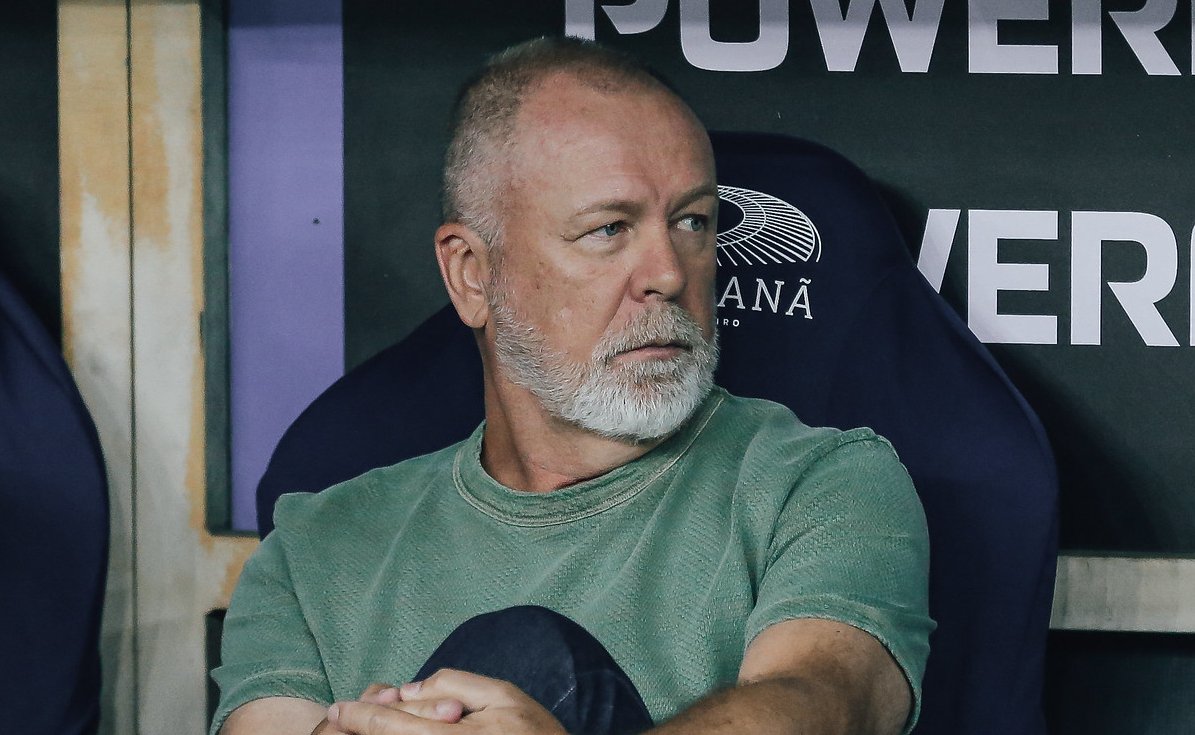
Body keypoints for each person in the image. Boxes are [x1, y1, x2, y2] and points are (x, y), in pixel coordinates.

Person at [211, 37, 933, 735]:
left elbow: (823, 702)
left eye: (693, 222)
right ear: (471, 274)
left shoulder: (819, 483)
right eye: (608, 229)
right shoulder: (311, 553)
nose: (669, 272)